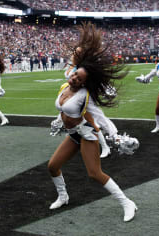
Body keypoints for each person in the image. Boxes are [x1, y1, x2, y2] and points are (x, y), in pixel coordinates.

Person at [48, 22, 137, 222]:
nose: (73, 79)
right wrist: (58, 121)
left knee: (94, 173)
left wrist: (115, 136)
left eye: (78, 79)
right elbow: (64, 110)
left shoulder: (85, 95)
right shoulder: (64, 86)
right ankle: (63, 196)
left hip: (87, 135)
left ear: (84, 83)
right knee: (52, 166)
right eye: (74, 75)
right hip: (73, 136)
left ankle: (126, 202)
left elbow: (101, 118)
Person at [64, 47, 116, 158]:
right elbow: (68, 76)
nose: (74, 55)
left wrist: (107, 88)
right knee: (89, 122)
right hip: (75, 99)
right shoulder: (74, 66)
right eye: (74, 53)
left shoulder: (83, 67)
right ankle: (106, 142)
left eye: (77, 53)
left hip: (84, 98)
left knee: (95, 120)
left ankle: (110, 141)